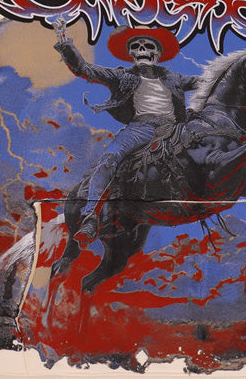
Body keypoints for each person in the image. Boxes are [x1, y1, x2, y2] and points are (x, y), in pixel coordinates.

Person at [53, 17, 199, 243]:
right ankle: (90, 217)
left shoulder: (174, 78)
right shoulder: (123, 76)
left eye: (148, 46)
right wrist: (64, 41)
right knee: (109, 159)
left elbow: (208, 81)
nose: (142, 50)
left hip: (175, 130)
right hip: (140, 129)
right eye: (136, 47)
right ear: (131, 54)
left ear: (158, 53)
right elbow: (85, 69)